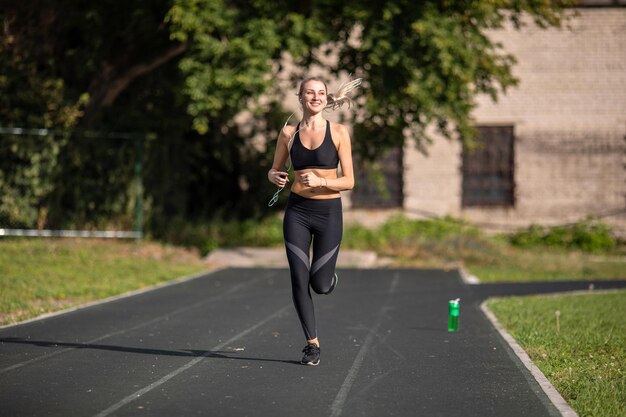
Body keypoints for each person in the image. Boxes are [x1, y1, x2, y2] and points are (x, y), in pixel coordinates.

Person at [267, 76, 359, 366]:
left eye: (321, 93)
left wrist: (321, 179)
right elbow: (275, 169)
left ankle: (328, 279)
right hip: (297, 212)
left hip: (329, 213)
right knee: (298, 276)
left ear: (326, 98)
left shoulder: (340, 132)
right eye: (310, 92)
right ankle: (312, 344)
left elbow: (350, 181)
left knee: (319, 284)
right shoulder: (287, 133)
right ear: (301, 97)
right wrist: (274, 176)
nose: (316, 97)